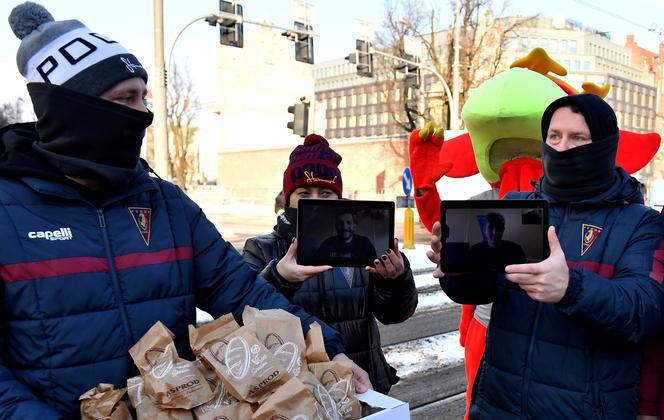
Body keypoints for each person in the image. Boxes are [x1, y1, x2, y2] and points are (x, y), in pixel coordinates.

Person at [0, 3, 368, 418]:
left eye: (144, 97)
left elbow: (246, 295)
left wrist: (330, 352)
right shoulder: (7, 211)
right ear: (73, 110)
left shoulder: (170, 206)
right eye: (126, 99)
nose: (144, 115)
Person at [427, 93, 664, 418]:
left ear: (605, 146)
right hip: (499, 405)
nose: (562, 147)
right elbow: (481, 289)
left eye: (578, 137)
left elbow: (643, 310)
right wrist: (458, 268)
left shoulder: (640, 222)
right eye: (554, 136)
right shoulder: (516, 206)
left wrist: (570, 288)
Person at [242, 133, 418, 394]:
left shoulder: (361, 248)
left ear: (338, 199)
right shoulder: (262, 249)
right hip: (294, 392)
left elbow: (394, 315)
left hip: (362, 383)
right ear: (288, 198)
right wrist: (278, 278)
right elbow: (244, 321)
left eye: (326, 193)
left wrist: (395, 280)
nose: (315, 200)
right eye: (304, 192)